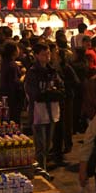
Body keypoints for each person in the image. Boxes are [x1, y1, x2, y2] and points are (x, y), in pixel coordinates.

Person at [24, 42, 64, 172]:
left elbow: (61, 88)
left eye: (48, 54)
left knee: (47, 145)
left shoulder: (52, 70)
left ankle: (42, 169)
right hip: (38, 114)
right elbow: (34, 94)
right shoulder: (32, 72)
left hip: (52, 112)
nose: (47, 57)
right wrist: (50, 93)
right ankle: (41, 171)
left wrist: (52, 93)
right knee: (40, 146)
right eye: (43, 54)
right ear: (36, 55)